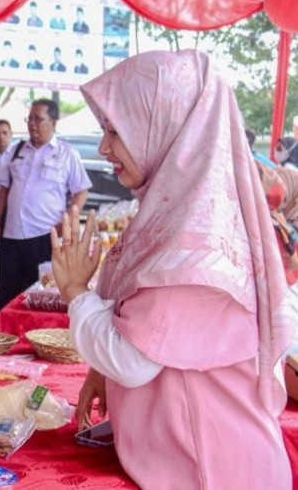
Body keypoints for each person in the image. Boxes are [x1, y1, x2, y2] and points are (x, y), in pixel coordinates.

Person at [50, 50, 292, 489]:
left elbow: (132, 360)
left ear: (164, 127)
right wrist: (97, 368)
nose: (104, 147)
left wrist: (75, 293)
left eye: (115, 130)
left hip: (215, 473)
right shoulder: (178, 219)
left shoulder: (192, 244)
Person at [0, 99, 91, 320]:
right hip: (12, 235)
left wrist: (67, 222)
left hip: (45, 236)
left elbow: (81, 191)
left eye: (39, 118)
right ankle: (2, 340)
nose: (32, 124)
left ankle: (33, 340)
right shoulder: (16, 150)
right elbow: (5, 188)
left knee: (39, 295)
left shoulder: (66, 154)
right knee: (8, 293)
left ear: (53, 122)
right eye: (30, 118)